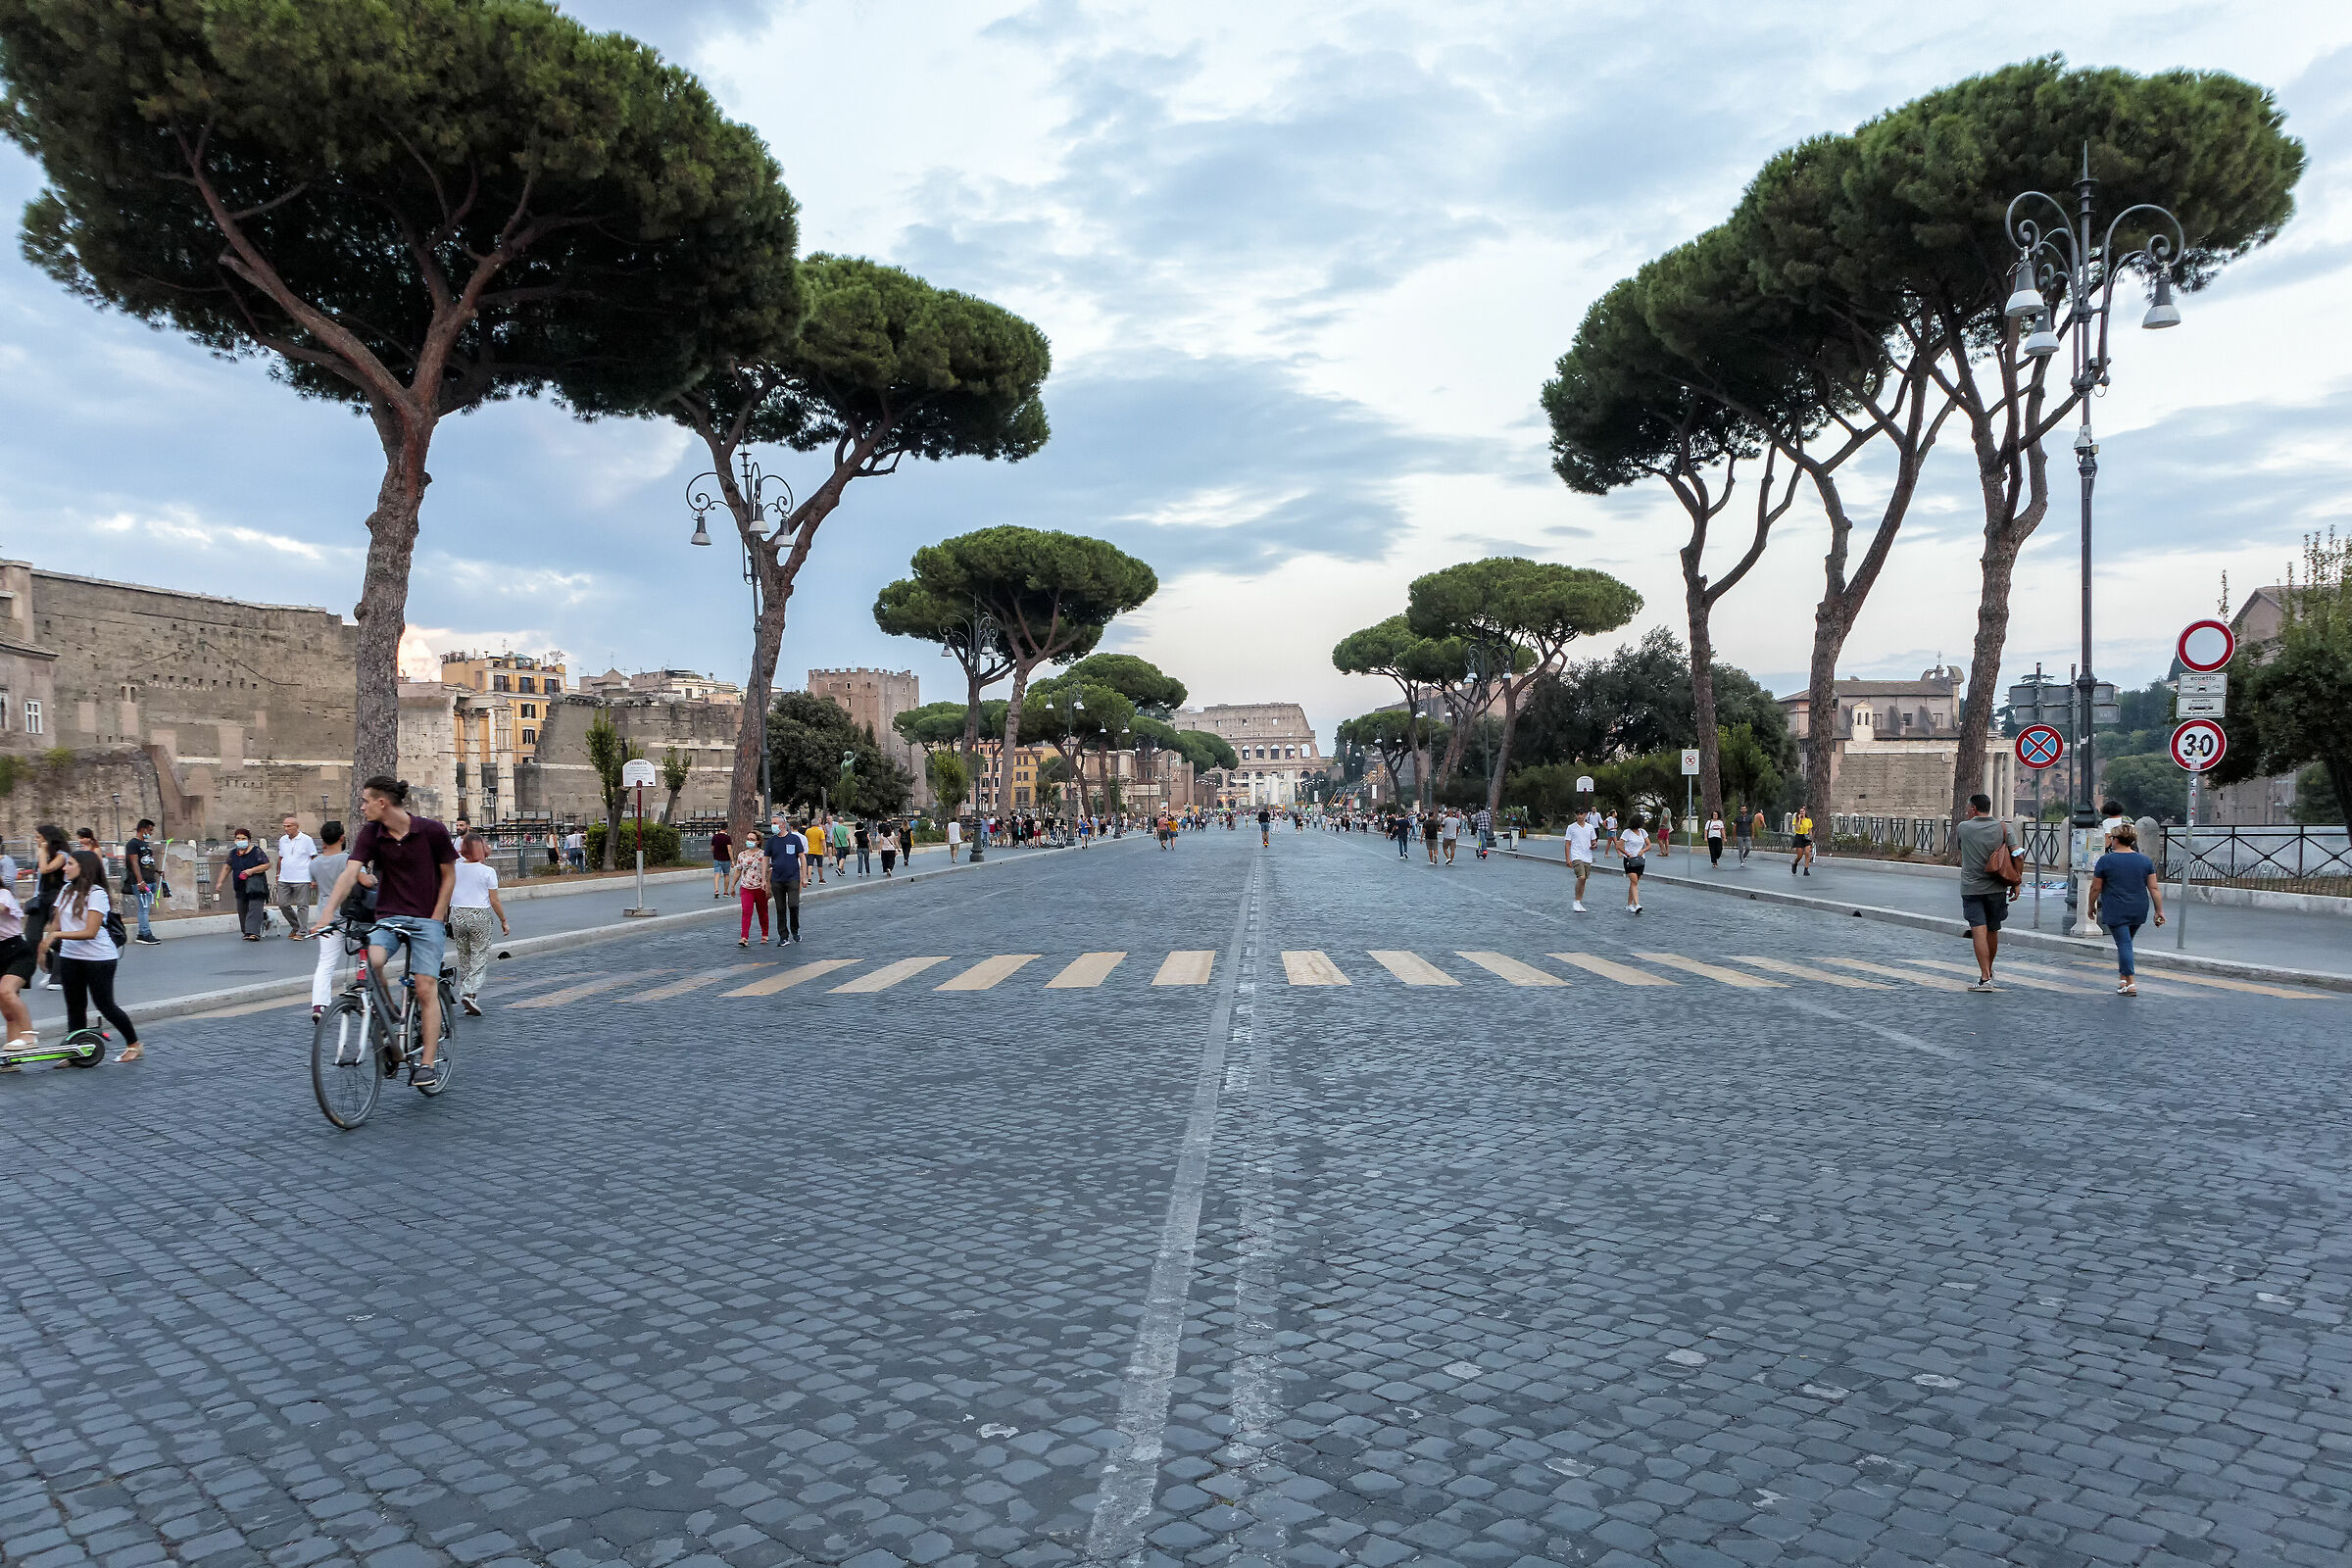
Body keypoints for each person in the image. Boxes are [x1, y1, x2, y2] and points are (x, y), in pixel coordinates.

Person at [321, 777, 458, 1091]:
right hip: (389, 916)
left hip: (427, 919)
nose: (362, 806)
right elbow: (350, 873)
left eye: (365, 800)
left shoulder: (431, 831)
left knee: (425, 987)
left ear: (382, 802)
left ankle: (426, 1064)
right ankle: (389, 1015)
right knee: (373, 961)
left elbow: (449, 875)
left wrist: (438, 914)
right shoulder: (372, 833)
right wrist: (327, 914)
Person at [38, 849, 141, 1063]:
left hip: (99, 958)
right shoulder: (66, 890)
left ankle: (134, 1044)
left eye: (70, 864)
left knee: (105, 1004)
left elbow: (90, 931)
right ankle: (76, 1051)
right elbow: (55, 923)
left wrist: (56, 935)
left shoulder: (97, 894)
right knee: (74, 1006)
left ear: (84, 868)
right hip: (69, 956)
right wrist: (44, 945)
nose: (65, 868)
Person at [2088, 823, 2165, 997]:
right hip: (2139, 908)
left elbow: (2095, 888)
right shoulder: (2144, 861)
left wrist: (2090, 905)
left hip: (2116, 907)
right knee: (2127, 942)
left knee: (2124, 944)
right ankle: (2123, 979)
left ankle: (2130, 983)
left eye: (2112, 838)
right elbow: (2154, 889)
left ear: (2116, 840)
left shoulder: (2106, 860)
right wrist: (2159, 911)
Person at [1954, 792, 2019, 992]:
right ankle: (1988, 972)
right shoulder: (2004, 828)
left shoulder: (1963, 828)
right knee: (1993, 929)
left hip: (1972, 888)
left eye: (1968, 807)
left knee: (1978, 931)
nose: (1966, 810)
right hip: (1997, 887)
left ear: (1973, 808)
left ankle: (1985, 977)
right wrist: (2016, 882)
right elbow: (2017, 853)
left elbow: (1960, 848)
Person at [449, 831, 510, 1015]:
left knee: (464, 955)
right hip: (479, 915)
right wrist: (503, 920)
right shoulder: (487, 872)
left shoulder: (454, 868)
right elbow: (494, 901)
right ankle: (469, 991)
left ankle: (471, 996)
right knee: (480, 956)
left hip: (457, 913)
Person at [308, 821, 358, 1019]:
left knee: (326, 962)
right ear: (342, 838)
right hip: (349, 914)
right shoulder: (348, 860)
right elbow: (361, 880)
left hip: (326, 916)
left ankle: (319, 1004)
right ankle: (364, 995)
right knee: (364, 954)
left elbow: (313, 884)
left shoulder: (314, 863)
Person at [27, 824, 71, 989]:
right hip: (41, 899)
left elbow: (46, 870)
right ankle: (51, 969)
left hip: (57, 898)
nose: (36, 840)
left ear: (47, 838)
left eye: (38, 837)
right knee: (31, 937)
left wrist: (42, 852)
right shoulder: (44, 855)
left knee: (56, 937)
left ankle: (58, 977)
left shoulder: (62, 855)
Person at [0, 876, 37, 1057]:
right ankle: (12, 1056)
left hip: (18, 952)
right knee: (7, 1011)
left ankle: (29, 1034)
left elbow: (2, 907)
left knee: (6, 992)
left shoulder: (4, 894)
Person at [217, 827, 271, 941]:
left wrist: (251, 870)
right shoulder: (233, 853)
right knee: (242, 909)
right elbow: (227, 867)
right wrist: (220, 882)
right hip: (240, 886)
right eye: (238, 838)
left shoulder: (256, 851)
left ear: (249, 840)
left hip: (255, 886)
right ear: (235, 840)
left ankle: (254, 932)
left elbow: (266, 865)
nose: (241, 840)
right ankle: (246, 931)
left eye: (243, 838)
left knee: (254, 909)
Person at [275, 813, 318, 939]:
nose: (286, 829)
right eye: (284, 826)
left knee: (302, 906)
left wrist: (314, 878)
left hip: (302, 877)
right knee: (283, 904)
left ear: (296, 826)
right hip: (285, 877)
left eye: (289, 826)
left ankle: (302, 931)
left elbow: (314, 858)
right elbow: (280, 858)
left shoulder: (306, 839)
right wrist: (278, 874)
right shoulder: (283, 840)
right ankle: (296, 926)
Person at [122, 817, 163, 945]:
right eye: (150, 830)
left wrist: (157, 871)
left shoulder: (145, 844)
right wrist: (140, 881)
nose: (151, 833)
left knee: (145, 908)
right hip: (141, 881)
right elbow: (134, 863)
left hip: (150, 879)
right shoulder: (133, 844)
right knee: (144, 908)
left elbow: (146, 862)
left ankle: (142, 932)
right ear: (143, 829)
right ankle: (145, 933)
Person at [765, 819, 807, 943]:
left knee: (793, 905)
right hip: (777, 879)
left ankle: (795, 930)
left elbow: (802, 857)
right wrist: (764, 879)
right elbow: (765, 859)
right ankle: (783, 935)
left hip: (792, 877)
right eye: (772, 823)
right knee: (780, 908)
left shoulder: (794, 839)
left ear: (782, 825)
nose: (773, 825)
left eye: (775, 823)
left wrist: (804, 876)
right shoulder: (771, 841)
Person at [734, 826, 772, 947]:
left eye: (752, 839)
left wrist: (768, 886)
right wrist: (732, 886)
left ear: (758, 841)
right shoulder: (742, 855)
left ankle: (765, 934)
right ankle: (744, 937)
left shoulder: (763, 855)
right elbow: (738, 871)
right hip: (746, 887)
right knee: (746, 912)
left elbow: (769, 871)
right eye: (748, 839)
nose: (749, 841)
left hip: (760, 887)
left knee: (763, 912)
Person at [1564, 808, 1599, 912]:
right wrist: (1568, 859)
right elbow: (1567, 844)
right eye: (1577, 814)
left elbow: (1593, 841)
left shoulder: (1590, 827)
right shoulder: (1571, 828)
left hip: (1587, 856)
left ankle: (1579, 901)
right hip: (1576, 855)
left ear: (1585, 815)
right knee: (1581, 877)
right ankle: (1576, 901)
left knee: (1584, 880)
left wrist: (1594, 845)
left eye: (1581, 814)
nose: (1579, 816)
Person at [710, 823, 733, 902]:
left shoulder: (715, 837)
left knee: (717, 874)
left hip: (717, 858)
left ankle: (716, 889)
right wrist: (732, 860)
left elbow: (712, 848)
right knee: (726, 875)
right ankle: (725, 892)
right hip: (726, 859)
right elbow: (729, 849)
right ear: (726, 828)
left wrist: (715, 853)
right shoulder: (727, 838)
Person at [1791, 811, 1815, 875]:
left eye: (1803, 811)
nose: (1802, 813)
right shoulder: (1796, 820)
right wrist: (1799, 819)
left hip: (1806, 837)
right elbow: (1797, 828)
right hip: (1799, 837)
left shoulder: (1808, 820)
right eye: (1801, 812)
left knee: (1807, 853)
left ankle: (1806, 869)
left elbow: (1810, 830)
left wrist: (1811, 840)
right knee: (1800, 856)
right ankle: (1795, 863)